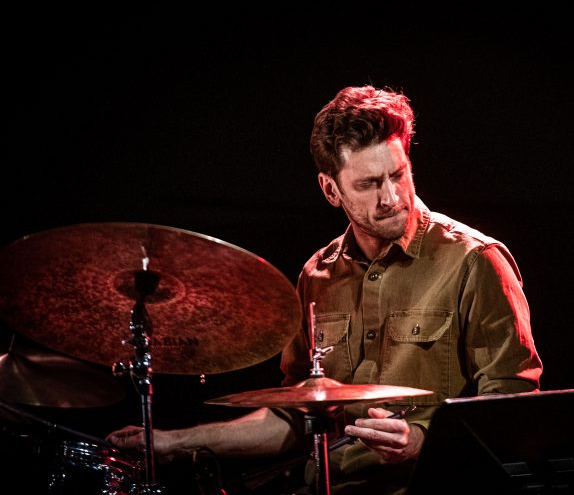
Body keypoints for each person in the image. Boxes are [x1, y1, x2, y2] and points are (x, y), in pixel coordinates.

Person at [107, 85, 543, 494]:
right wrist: (171, 442)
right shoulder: (316, 276)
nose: (391, 197)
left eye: (398, 175)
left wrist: (419, 441)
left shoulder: (474, 260)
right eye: (368, 184)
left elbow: (513, 407)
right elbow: (295, 418)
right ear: (331, 189)